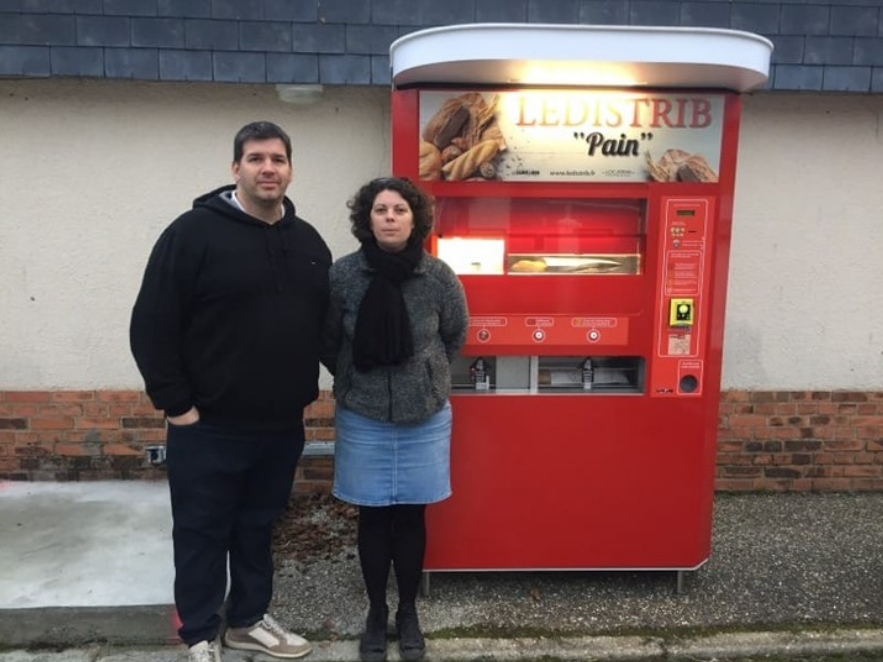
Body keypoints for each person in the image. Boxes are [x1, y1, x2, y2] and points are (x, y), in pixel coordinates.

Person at [130, 121, 331, 662]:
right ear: (235, 168)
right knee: (201, 531)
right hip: (208, 425)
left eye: (278, 159)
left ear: (290, 169)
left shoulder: (309, 243)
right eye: (256, 158)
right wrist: (178, 406)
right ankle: (198, 633)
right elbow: (151, 325)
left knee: (257, 528)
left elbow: (323, 328)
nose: (268, 168)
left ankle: (246, 621)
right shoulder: (192, 234)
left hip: (280, 425)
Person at [321, 177, 469, 662]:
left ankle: (407, 611)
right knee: (372, 516)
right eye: (381, 209)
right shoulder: (343, 275)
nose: (389, 217)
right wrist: (352, 378)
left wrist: (426, 377)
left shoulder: (438, 276)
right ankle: (375, 612)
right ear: (367, 219)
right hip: (363, 413)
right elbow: (328, 341)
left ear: (415, 219)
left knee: (410, 516)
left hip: (423, 414)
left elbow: (454, 334)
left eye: (399, 209)